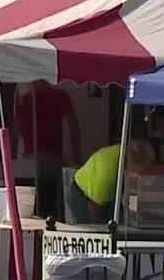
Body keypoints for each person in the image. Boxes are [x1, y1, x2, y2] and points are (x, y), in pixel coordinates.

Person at [13, 82, 81, 217]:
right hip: (52, 158)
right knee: (51, 203)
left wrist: (12, 158)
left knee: (32, 204)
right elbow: (73, 126)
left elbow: (16, 131)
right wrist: (76, 156)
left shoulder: (26, 100)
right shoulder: (59, 96)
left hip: (31, 159)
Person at [65, 139, 146, 225]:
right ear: (132, 163)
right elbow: (93, 209)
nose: (142, 174)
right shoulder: (108, 175)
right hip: (82, 197)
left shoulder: (125, 152)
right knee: (94, 231)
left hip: (103, 195)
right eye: (141, 169)